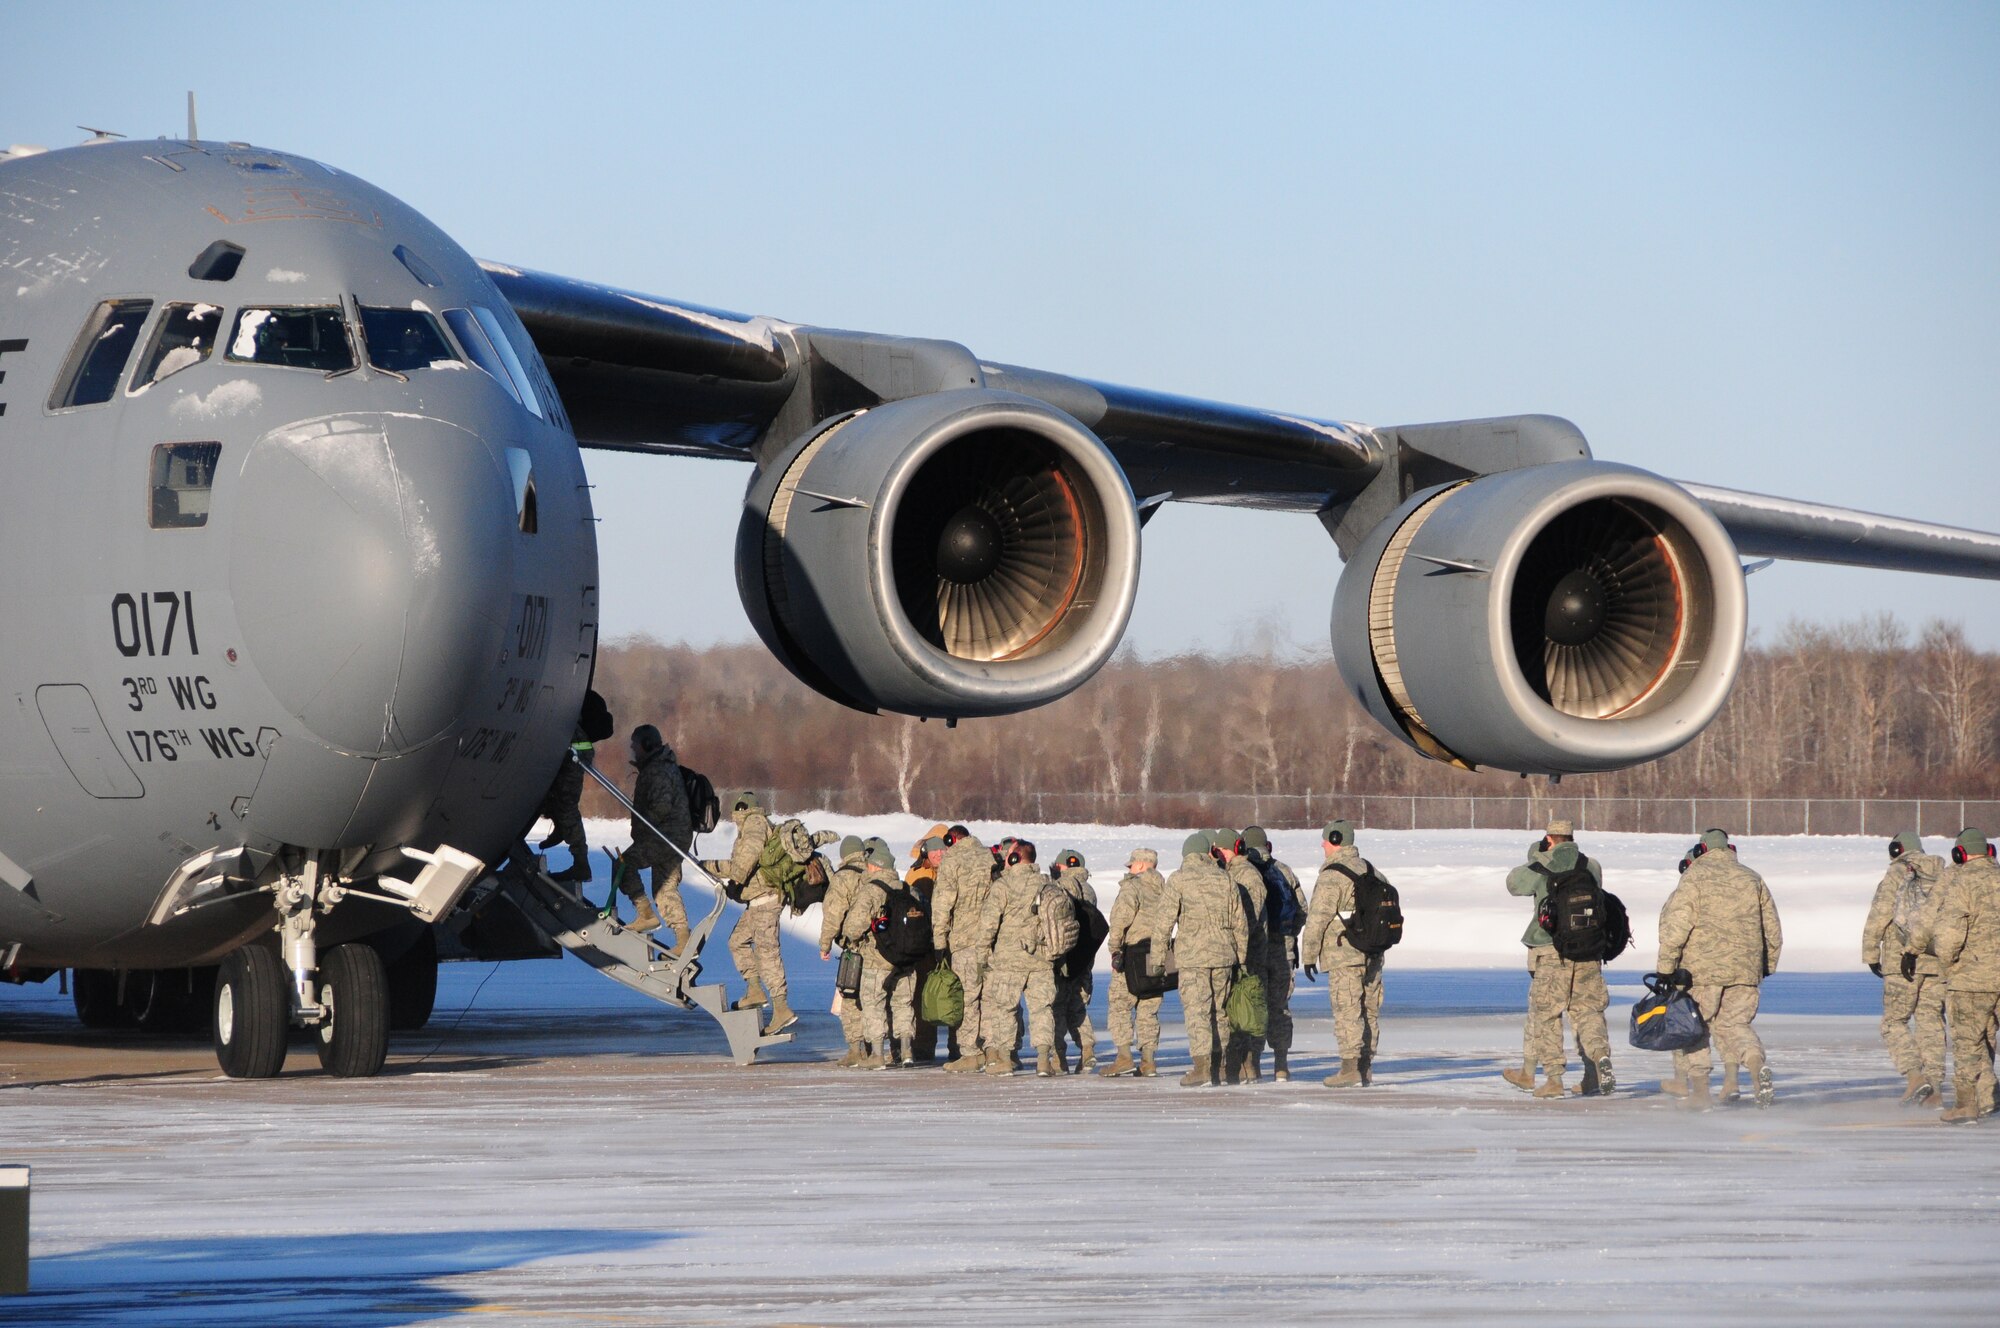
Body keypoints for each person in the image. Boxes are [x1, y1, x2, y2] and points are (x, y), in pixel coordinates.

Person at [1655, 828, 1784, 1109]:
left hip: (1702, 970)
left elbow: (1677, 925)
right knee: (1735, 1024)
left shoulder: (1694, 877)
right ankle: (1754, 1063)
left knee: (1695, 1026)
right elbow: (1772, 928)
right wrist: (1766, 965)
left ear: (1702, 850)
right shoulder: (1752, 878)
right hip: (1745, 970)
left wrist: (1666, 966)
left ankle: (1700, 1091)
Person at [1503, 817, 1614, 1099]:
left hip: (1552, 952)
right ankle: (1597, 1065)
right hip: (1589, 951)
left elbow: (1514, 884)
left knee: (1547, 1014)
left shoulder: (1543, 864)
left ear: (1549, 838)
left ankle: (1554, 1079)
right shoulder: (1590, 865)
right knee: (1588, 1012)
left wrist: (1537, 854)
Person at [1141, 831, 1248, 1088]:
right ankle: (1221, 1067)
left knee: (1197, 1012)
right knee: (1219, 1012)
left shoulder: (1178, 880)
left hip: (1192, 958)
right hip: (1223, 956)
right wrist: (1241, 958)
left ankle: (1202, 1068)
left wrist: (1157, 961)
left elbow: (1163, 924)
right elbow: (1239, 923)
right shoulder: (1225, 879)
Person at [1908, 828, 2000, 1123]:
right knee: (1987, 1036)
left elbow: (1948, 935)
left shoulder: (1961, 880)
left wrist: (1946, 963)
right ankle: (1988, 1098)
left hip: (1972, 978)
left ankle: (1965, 1105)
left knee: (1966, 1042)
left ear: (1960, 854)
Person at [1861, 831, 1950, 1105]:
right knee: (1931, 1021)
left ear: (1896, 849)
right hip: (1936, 959)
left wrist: (1870, 952)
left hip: (1902, 960)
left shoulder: (1898, 873)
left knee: (1894, 1021)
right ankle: (1934, 1086)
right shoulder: (1943, 875)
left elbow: (1880, 914)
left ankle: (1915, 1076)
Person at [1299, 819, 1387, 1088]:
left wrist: (1309, 955)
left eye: (1326, 840)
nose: (1323, 845)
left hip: (1344, 955)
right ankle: (1365, 1067)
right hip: (1373, 953)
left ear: (1335, 840)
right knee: (1369, 1009)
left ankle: (1349, 1069)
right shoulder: (1372, 871)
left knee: (1348, 1010)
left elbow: (1317, 918)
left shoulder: (1332, 875)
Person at [701, 791, 795, 1035]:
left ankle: (781, 1008)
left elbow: (746, 859)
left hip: (766, 901)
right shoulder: (753, 825)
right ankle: (755, 990)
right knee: (737, 942)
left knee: (767, 953)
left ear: (741, 809)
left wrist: (725, 874)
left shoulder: (754, 823)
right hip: (755, 902)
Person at [974, 839, 1060, 1076]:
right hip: (1041, 959)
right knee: (1042, 1009)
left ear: (1014, 858)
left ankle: (1004, 1059)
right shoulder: (1047, 884)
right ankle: (1044, 1060)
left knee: (1005, 1009)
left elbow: (988, 925)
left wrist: (982, 958)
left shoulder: (1003, 885)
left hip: (1009, 960)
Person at [616, 725, 694, 951]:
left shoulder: (658, 770)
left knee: (623, 864)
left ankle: (645, 913)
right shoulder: (661, 766)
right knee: (664, 888)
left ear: (647, 745)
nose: (633, 751)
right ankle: (683, 939)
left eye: (635, 746)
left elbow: (661, 806)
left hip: (665, 836)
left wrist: (642, 827)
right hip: (675, 837)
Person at [845, 842, 921, 1068]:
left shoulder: (871, 890)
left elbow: (853, 927)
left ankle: (877, 1055)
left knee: (873, 1003)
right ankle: (907, 1051)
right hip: (907, 958)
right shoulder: (908, 889)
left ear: (875, 867)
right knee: (903, 1004)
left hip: (878, 958)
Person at [1242, 826, 1307, 1082]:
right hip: (1283, 950)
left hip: (1255, 950)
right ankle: (1281, 1064)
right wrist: (1289, 935)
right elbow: (1302, 909)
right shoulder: (1284, 870)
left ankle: (1253, 1063)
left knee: (1254, 1005)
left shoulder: (1243, 870)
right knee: (1280, 1007)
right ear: (1267, 845)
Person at [932, 825, 994, 1073]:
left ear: (952, 839)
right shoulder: (988, 856)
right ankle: (992, 1049)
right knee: (989, 998)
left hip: (965, 941)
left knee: (967, 998)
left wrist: (939, 941)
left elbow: (942, 903)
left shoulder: (953, 860)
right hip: (991, 941)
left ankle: (970, 1052)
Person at [1102, 847, 1167, 1077]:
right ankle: (1148, 1062)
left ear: (1140, 865)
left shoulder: (1133, 888)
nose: (1130, 869)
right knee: (1149, 1009)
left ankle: (1123, 1057)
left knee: (1120, 1005)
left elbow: (1120, 921)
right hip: (1159, 956)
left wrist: (1115, 950)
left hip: (1132, 956)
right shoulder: (1166, 890)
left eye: (1131, 865)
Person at [1215, 830, 1269, 1083]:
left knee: (1246, 1010)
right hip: (1237, 951)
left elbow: (1249, 918)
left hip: (1249, 954)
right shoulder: (1231, 873)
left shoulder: (1247, 875)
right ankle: (1237, 1063)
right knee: (1234, 1010)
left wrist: (1237, 946)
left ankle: (1248, 1063)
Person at [819, 835, 871, 1067]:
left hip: (853, 947)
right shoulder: (874, 872)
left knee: (850, 998)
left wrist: (825, 944)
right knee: (874, 997)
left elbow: (833, 914)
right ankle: (874, 1048)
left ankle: (855, 1050)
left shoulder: (843, 878)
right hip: (879, 946)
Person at [1051, 848, 1100, 1074]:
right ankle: (1087, 1049)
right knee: (1078, 1005)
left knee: (1058, 1006)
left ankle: (1058, 1056)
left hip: (1064, 957)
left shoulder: (1059, 887)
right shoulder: (1089, 890)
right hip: (1085, 958)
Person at [905, 828, 949, 1063]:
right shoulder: (915, 875)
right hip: (924, 944)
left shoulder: (954, 871)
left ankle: (959, 1046)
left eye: (943, 849)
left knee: (954, 993)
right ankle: (923, 1047)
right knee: (922, 995)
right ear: (925, 853)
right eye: (934, 850)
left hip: (950, 942)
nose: (939, 854)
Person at [536, 718, 597, 885]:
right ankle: (561, 829)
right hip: (569, 753)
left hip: (574, 757)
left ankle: (581, 864)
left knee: (566, 806)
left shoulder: (564, 719)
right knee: (551, 800)